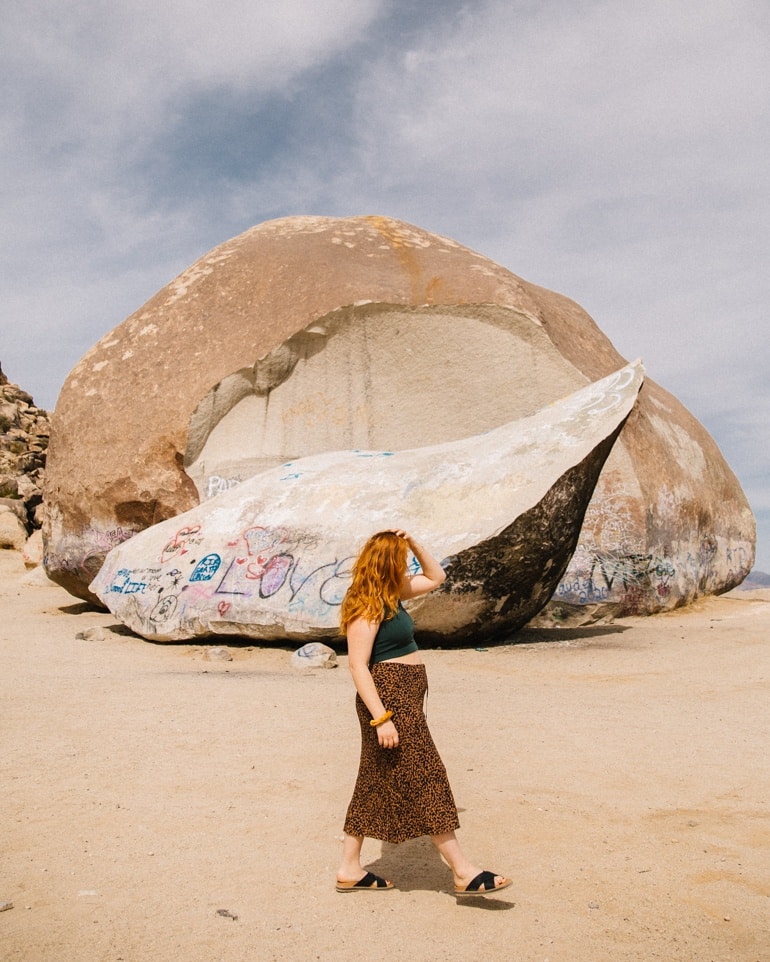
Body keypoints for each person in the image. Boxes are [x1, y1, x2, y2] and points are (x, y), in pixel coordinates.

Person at [335, 529, 511, 897]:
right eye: (401, 559)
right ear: (387, 563)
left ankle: (350, 867)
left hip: (404, 698)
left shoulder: (392, 594)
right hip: (388, 700)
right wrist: (382, 718)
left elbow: (437, 577)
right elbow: (357, 666)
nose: (406, 565)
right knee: (427, 774)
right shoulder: (367, 605)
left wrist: (414, 542)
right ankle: (462, 871)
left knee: (373, 780)